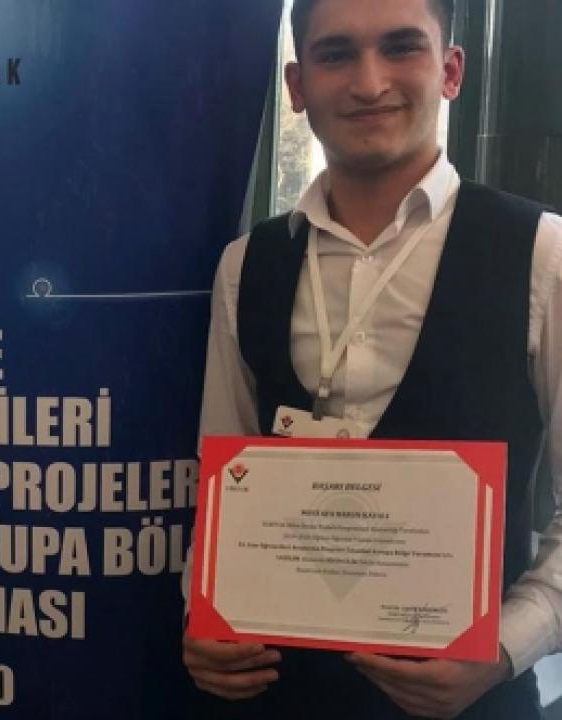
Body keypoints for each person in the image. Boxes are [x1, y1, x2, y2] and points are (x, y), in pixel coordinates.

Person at [182, 0, 562, 717]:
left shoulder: (543, 256)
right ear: (297, 86)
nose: (369, 82)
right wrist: (200, 611)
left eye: (400, 48)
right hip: (278, 692)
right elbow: (221, 472)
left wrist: (505, 647)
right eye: (336, 55)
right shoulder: (247, 265)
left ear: (451, 71)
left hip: (471, 702)